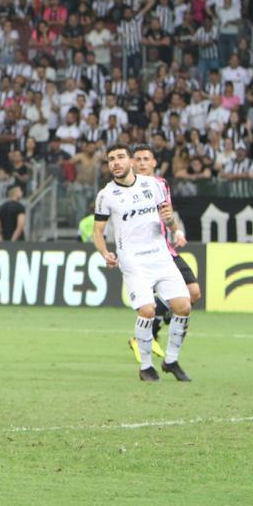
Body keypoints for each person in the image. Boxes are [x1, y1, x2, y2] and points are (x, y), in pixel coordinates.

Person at [91, 143, 193, 382]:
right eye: (111, 159)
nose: (115, 162)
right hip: (133, 260)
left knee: (184, 306)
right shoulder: (106, 195)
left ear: (131, 162)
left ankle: (171, 360)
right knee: (147, 310)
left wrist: (174, 228)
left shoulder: (153, 185)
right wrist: (104, 252)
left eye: (120, 157)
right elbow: (98, 231)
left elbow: (167, 218)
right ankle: (146, 367)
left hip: (160, 256)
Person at [129, 144, 201, 364]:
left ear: (154, 163)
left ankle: (153, 330)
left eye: (146, 159)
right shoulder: (127, 187)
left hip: (164, 249)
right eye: (138, 159)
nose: (142, 163)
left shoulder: (161, 185)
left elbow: (166, 214)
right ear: (132, 163)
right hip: (141, 255)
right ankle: (144, 336)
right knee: (148, 305)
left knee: (194, 293)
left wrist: (176, 230)